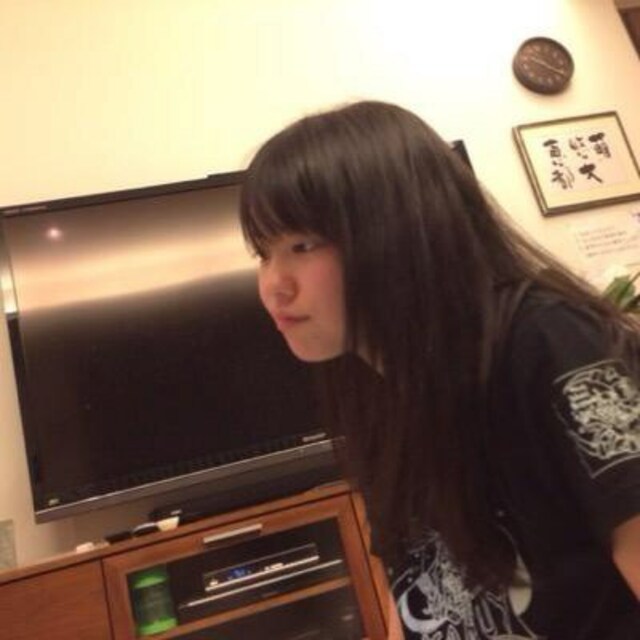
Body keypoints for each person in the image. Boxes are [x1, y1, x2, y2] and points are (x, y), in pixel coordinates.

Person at [239, 100, 640, 639]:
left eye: (302, 245)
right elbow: (412, 591)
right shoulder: (377, 393)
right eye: (263, 253)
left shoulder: (545, 339)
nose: (273, 285)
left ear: (396, 230)